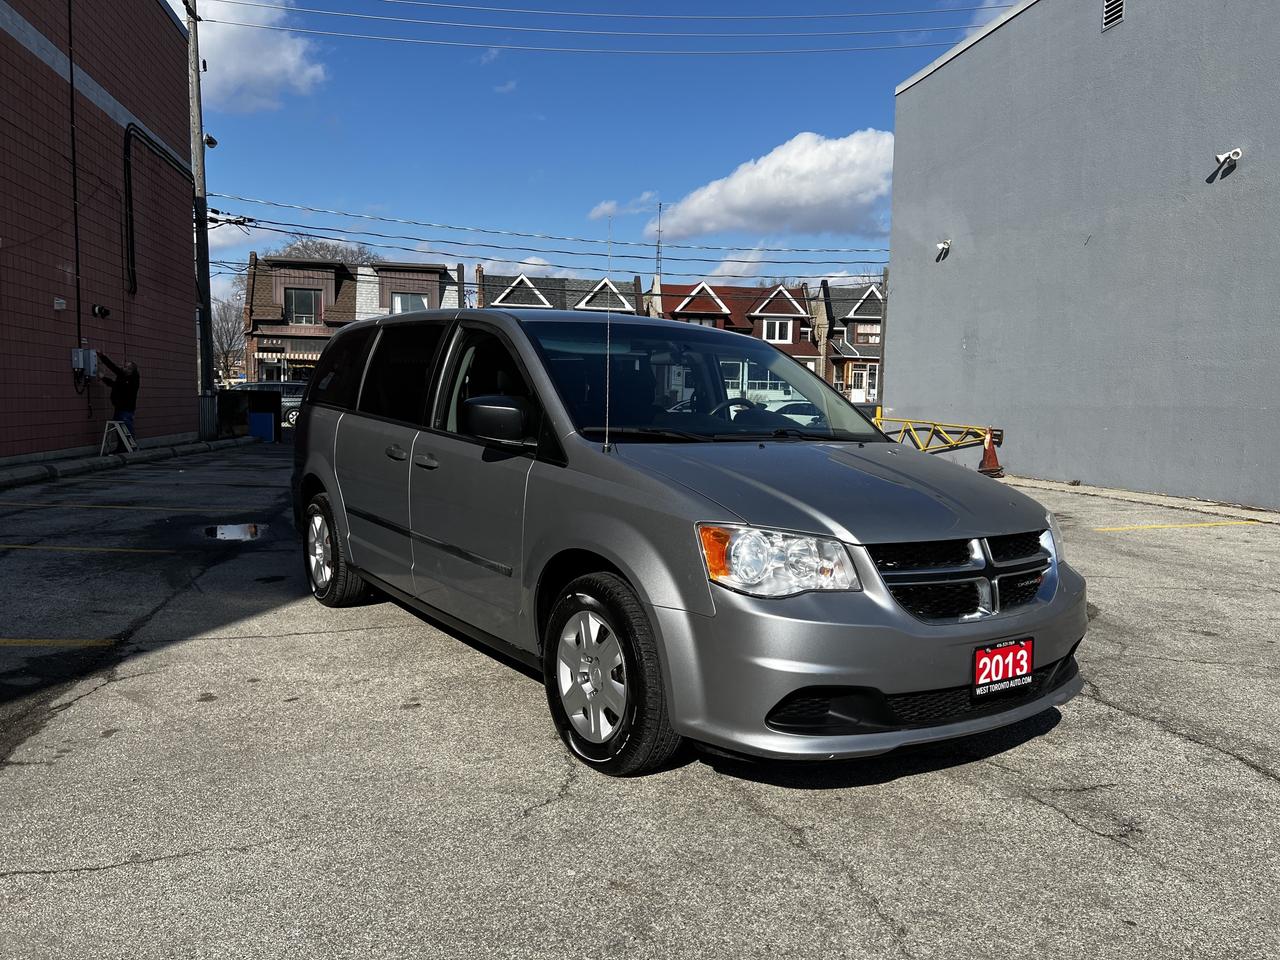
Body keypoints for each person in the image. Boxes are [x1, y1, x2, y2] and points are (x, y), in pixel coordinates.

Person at [98, 352, 140, 441]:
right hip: (120, 407)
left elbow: (116, 385)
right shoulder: (124, 375)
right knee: (120, 430)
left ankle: (131, 448)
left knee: (126, 430)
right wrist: (102, 356)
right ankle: (121, 448)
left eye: (125, 367)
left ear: (130, 370)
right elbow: (113, 367)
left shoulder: (132, 381)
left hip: (126, 409)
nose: (122, 367)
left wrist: (104, 378)